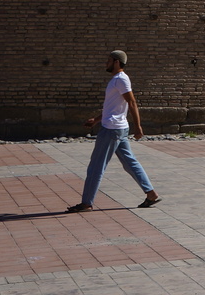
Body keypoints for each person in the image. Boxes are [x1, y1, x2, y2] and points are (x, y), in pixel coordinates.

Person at [66, 50, 161, 212]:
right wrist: (96, 120)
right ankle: (151, 194)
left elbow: (132, 103)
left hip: (111, 130)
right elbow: (113, 107)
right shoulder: (117, 80)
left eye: (108, 60)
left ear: (116, 62)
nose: (106, 63)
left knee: (96, 167)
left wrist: (138, 126)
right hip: (117, 128)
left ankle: (87, 202)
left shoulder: (121, 80)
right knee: (130, 163)